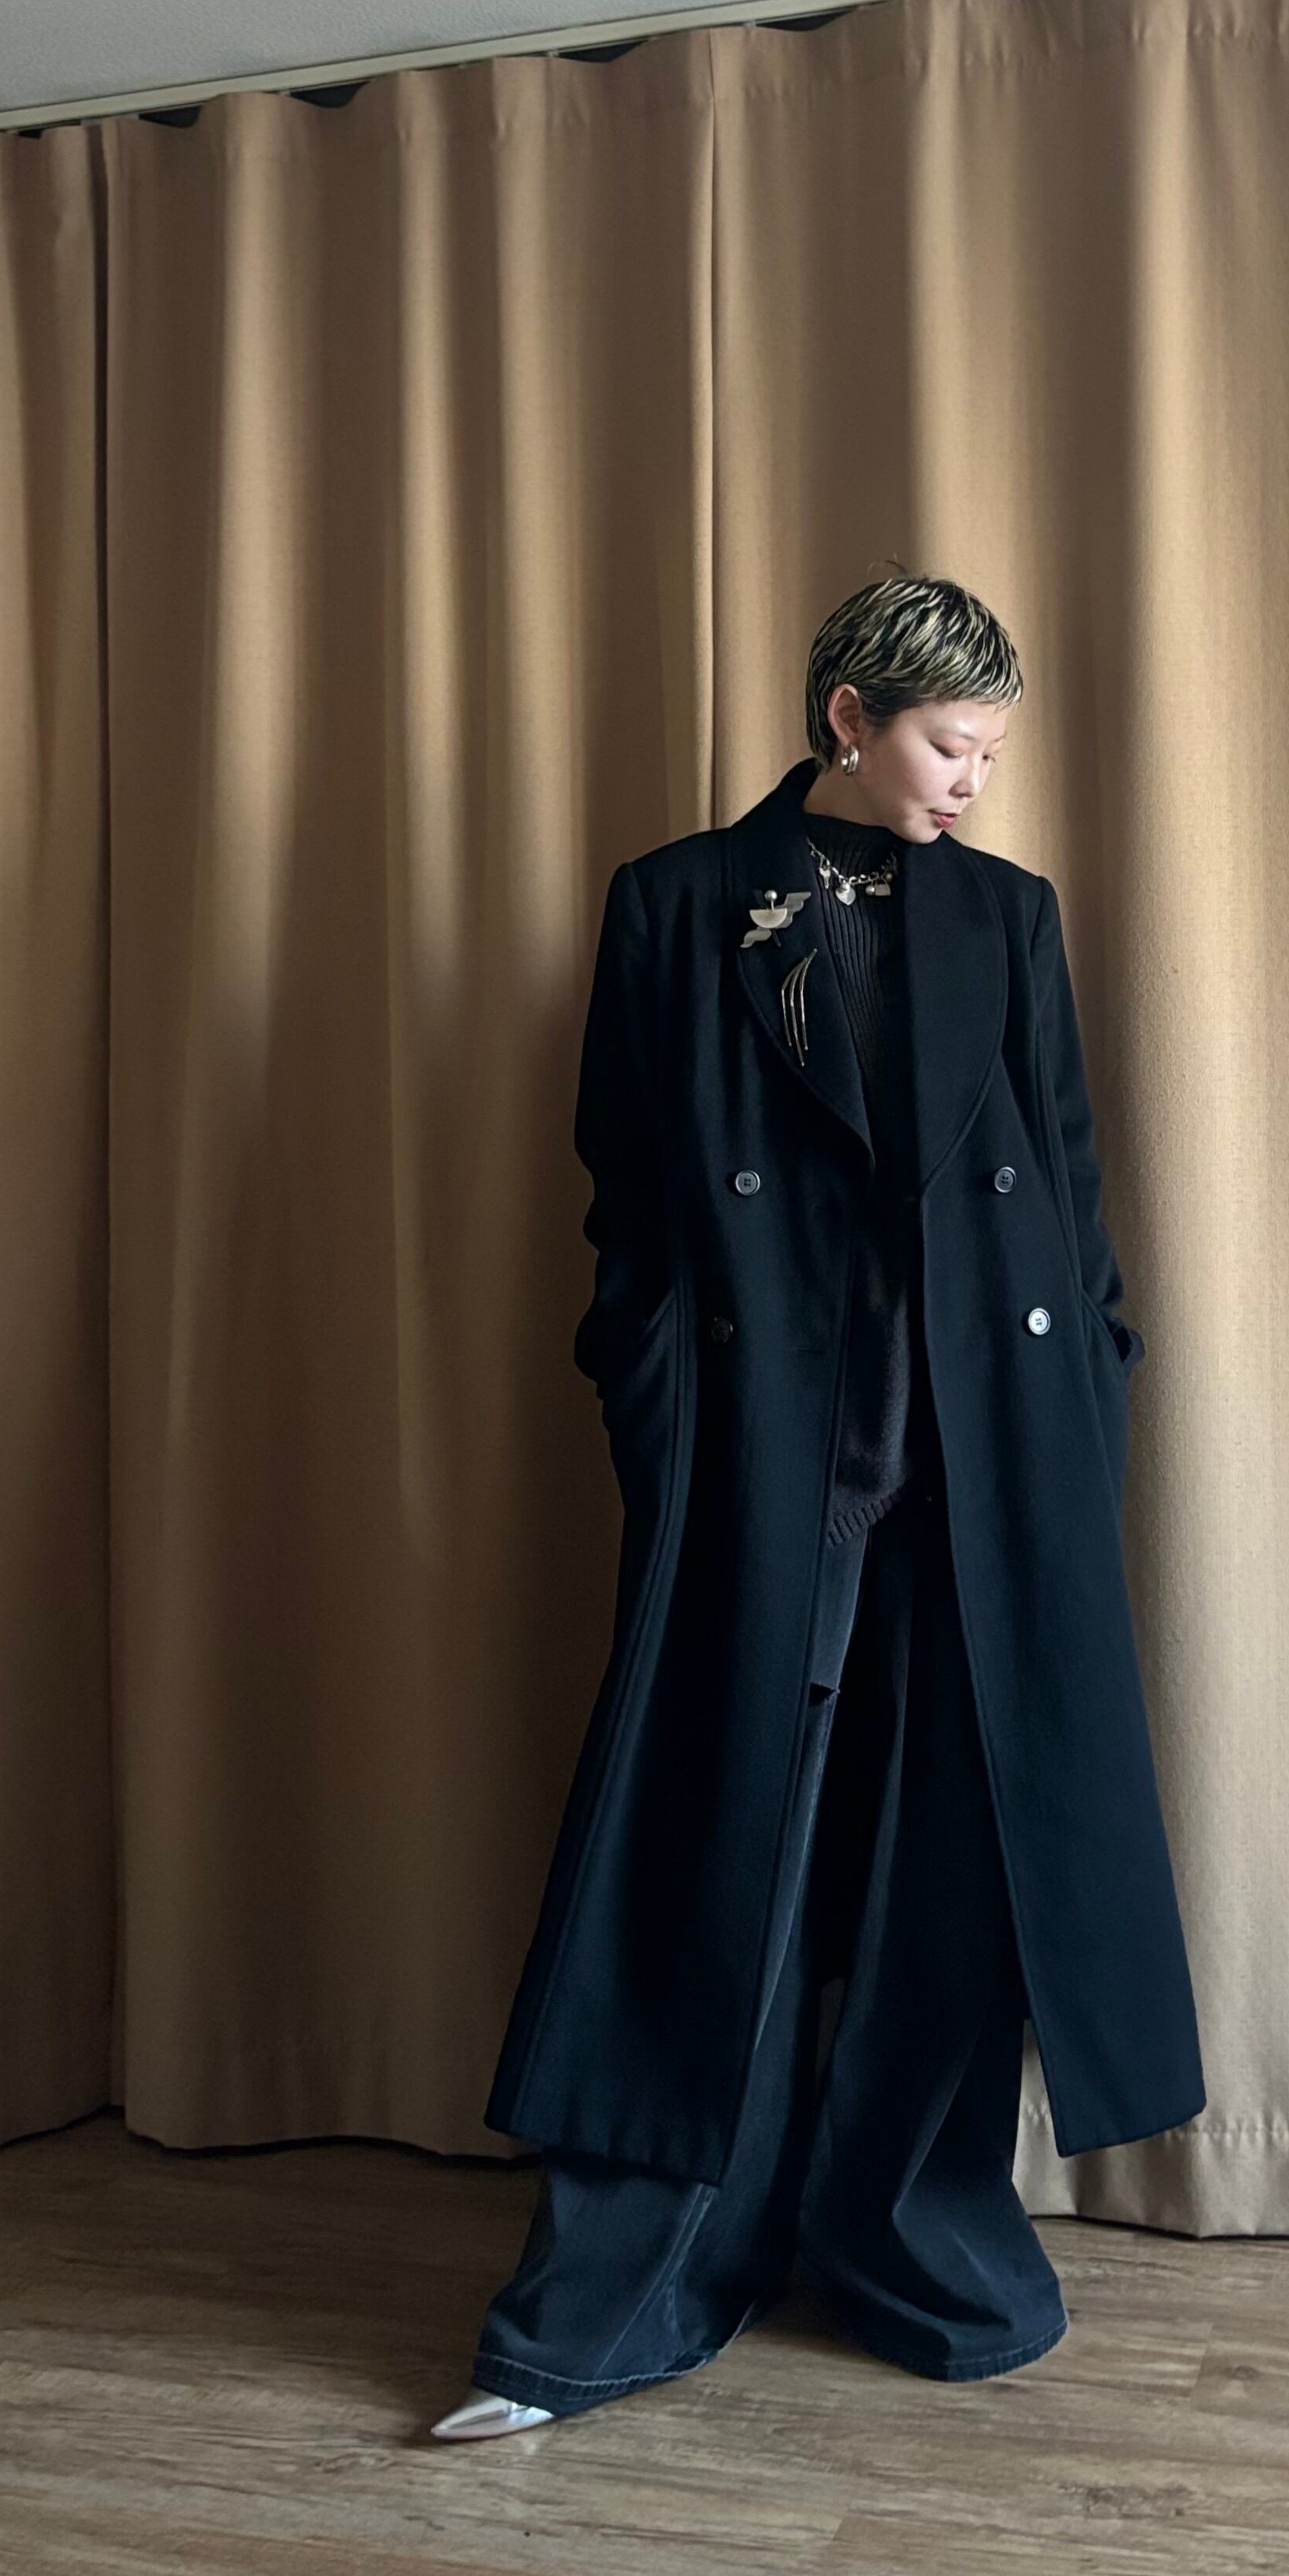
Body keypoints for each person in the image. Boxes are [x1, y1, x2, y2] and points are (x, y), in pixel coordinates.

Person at [434, 575, 1202, 2438]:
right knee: (714, 1846)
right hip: (768, 1449)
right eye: (948, 744)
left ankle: (902, 2231)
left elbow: (1070, 1184)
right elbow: (626, 1190)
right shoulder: (679, 903)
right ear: (848, 718)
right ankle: (633, 2282)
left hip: (985, 1453)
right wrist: (657, 1395)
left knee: (953, 1852)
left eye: (992, 752)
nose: (973, 782)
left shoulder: (1007, 916)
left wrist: (1087, 1380)